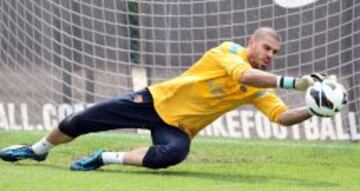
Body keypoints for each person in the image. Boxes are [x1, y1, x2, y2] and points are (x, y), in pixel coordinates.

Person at [0, 27, 332, 171]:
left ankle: (104, 158)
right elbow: (241, 75)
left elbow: (281, 117)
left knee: (171, 156)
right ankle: (37, 149)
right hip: (155, 101)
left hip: (178, 128)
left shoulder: (261, 87)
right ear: (252, 43)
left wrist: (314, 109)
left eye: (275, 52)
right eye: (267, 49)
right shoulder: (228, 52)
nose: (270, 55)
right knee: (81, 121)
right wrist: (295, 82)